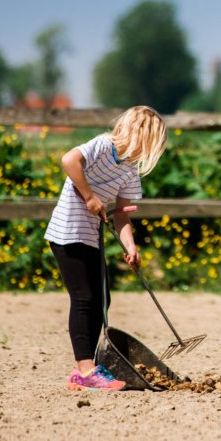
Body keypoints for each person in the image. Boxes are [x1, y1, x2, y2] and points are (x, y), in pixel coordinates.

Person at [45, 105, 168, 391]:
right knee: (84, 298)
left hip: (91, 234)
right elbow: (69, 160)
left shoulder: (129, 170)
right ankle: (87, 371)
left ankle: (83, 372)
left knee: (102, 301)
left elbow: (122, 213)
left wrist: (131, 246)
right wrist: (89, 197)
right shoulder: (102, 146)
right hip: (67, 231)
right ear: (138, 136)